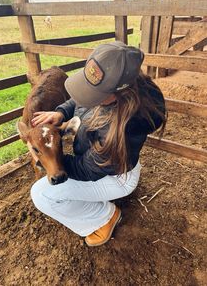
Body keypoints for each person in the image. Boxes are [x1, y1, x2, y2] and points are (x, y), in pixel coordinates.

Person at [30, 41, 166, 247]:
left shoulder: (123, 128)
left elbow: (87, 169)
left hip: (114, 176)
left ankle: (105, 217)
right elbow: (83, 94)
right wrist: (61, 112)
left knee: (41, 195)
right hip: (108, 161)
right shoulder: (125, 81)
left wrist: (48, 159)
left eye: (96, 95)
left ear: (120, 92)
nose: (88, 97)